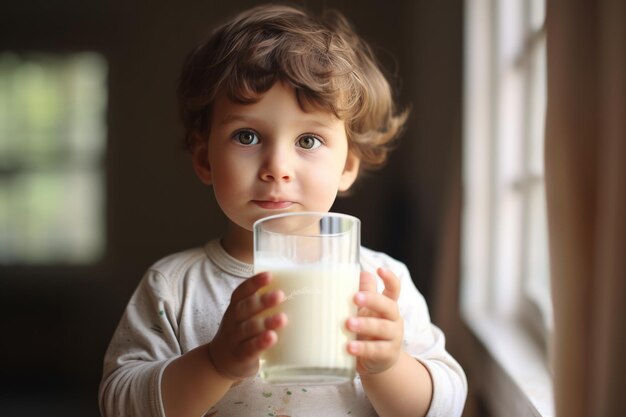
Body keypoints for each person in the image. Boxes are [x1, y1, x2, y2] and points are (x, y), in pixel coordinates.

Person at [98, 4, 467, 417]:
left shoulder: (380, 285)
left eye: (308, 141)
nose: (277, 168)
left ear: (347, 166)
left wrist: (389, 366)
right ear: (205, 159)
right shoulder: (174, 288)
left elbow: (447, 404)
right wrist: (214, 363)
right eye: (247, 135)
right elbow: (120, 404)